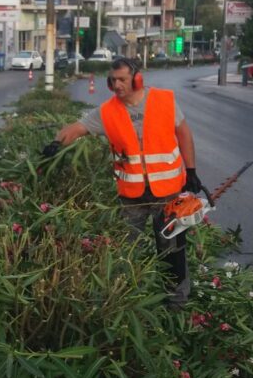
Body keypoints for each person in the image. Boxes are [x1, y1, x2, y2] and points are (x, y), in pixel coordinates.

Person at [43, 56, 202, 304]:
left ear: (137, 79)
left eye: (122, 80)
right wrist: (56, 143)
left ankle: (176, 303)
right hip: (131, 196)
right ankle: (132, 300)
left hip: (167, 192)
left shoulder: (163, 101)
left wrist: (190, 171)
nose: (117, 85)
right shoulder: (107, 111)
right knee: (129, 251)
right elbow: (75, 128)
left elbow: (184, 133)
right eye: (113, 80)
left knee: (172, 249)